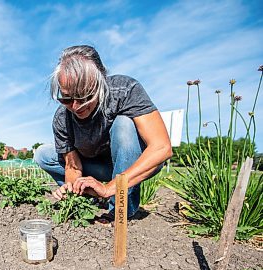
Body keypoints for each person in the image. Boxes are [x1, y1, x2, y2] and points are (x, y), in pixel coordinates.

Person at [34, 45, 172, 222]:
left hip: (131, 162)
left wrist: (110, 188)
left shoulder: (124, 91)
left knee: (124, 124)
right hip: (96, 168)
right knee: (43, 154)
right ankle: (89, 198)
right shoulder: (63, 118)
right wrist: (71, 190)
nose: (76, 106)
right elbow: (73, 167)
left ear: (100, 82)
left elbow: (161, 148)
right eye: (67, 98)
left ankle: (120, 210)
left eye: (84, 97)